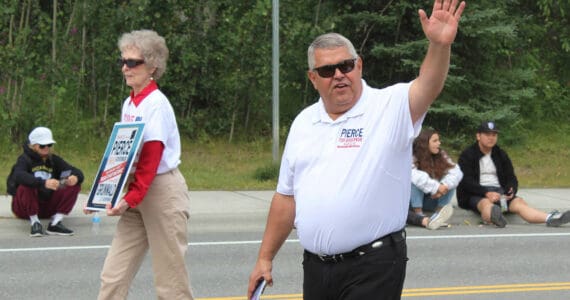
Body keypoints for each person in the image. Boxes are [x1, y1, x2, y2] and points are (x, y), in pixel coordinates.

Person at [247, 1, 466, 299]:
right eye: (327, 70)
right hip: (316, 268)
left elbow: (428, 84)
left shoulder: (389, 106)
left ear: (359, 65)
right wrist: (265, 257)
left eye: (346, 65)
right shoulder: (303, 123)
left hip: (373, 265)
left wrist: (439, 46)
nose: (338, 74)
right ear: (313, 78)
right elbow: (286, 198)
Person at [89, 30, 193, 299]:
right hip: (136, 189)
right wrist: (103, 195)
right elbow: (123, 153)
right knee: (113, 275)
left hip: (160, 191)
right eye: (123, 61)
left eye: (133, 62)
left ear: (152, 67)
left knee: (171, 283)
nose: (125, 68)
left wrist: (130, 197)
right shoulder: (130, 102)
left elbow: (150, 157)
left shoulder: (156, 104)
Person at [457, 121, 570, 228]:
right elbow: (466, 181)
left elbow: (511, 177)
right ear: (478, 136)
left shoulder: (500, 154)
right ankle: (495, 217)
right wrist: (486, 193)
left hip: (499, 192)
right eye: (487, 134)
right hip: (476, 193)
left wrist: (511, 190)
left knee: (519, 203)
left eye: (494, 135)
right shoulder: (467, 155)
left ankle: (550, 218)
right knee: (486, 204)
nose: (491, 138)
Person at [11, 126, 84, 237]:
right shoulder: (24, 159)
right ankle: (35, 222)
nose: (46, 148)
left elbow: (75, 171)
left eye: (49, 145)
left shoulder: (53, 159)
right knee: (26, 185)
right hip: (24, 209)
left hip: (47, 207)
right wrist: (43, 183)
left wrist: (74, 178)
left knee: (73, 185)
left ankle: (56, 223)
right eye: (42, 145)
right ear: (33, 145)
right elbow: (19, 175)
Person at [406, 129, 461, 230]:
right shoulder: (411, 155)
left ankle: (439, 214)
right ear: (424, 143)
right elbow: (414, 175)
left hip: (432, 198)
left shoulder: (441, 154)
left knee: (451, 182)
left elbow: (456, 171)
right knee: (414, 181)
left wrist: (444, 185)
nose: (439, 143)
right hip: (410, 202)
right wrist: (436, 187)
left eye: (438, 140)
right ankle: (419, 214)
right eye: (435, 141)